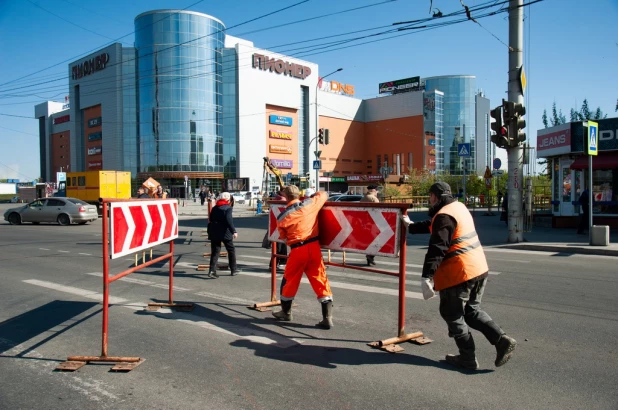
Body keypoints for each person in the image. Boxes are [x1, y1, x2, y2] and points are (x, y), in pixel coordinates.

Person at [401, 182, 516, 370]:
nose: (429, 201)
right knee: (472, 312)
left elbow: (438, 247)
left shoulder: (444, 215)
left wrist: (426, 276)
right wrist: (412, 226)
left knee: (452, 314)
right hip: (478, 268)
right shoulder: (457, 207)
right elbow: (435, 226)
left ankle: (467, 358)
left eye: (430, 196)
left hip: (459, 273)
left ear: (436, 196)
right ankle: (502, 340)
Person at [272, 186, 334, 329]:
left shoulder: (282, 217)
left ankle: (286, 312)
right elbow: (324, 194)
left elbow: (284, 237)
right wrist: (315, 194)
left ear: (286, 197)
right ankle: (327, 318)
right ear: (299, 195)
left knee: (290, 281)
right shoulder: (310, 204)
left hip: (297, 250)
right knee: (320, 280)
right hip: (314, 247)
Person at [206, 192, 241, 278]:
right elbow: (229, 221)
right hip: (225, 233)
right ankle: (233, 269)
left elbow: (210, 219)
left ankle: (212, 271)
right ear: (228, 199)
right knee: (231, 250)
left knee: (215, 251)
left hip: (214, 232)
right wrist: (234, 231)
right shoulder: (228, 208)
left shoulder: (214, 208)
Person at [360, 184, 380, 266]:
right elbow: (378, 211)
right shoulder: (373, 199)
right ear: (374, 190)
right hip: (373, 223)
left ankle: (369, 257)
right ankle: (370, 256)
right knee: (377, 241)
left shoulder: (363, 198)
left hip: (365, 223)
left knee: (369, 241)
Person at [269, 189, 288, 271]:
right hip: (281, 226)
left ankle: (276, 264)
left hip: (275, 226)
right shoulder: (282, 200)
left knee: (278, 247)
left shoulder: (277, 198)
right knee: (280, 247)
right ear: (282, 192)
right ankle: (279, 263)